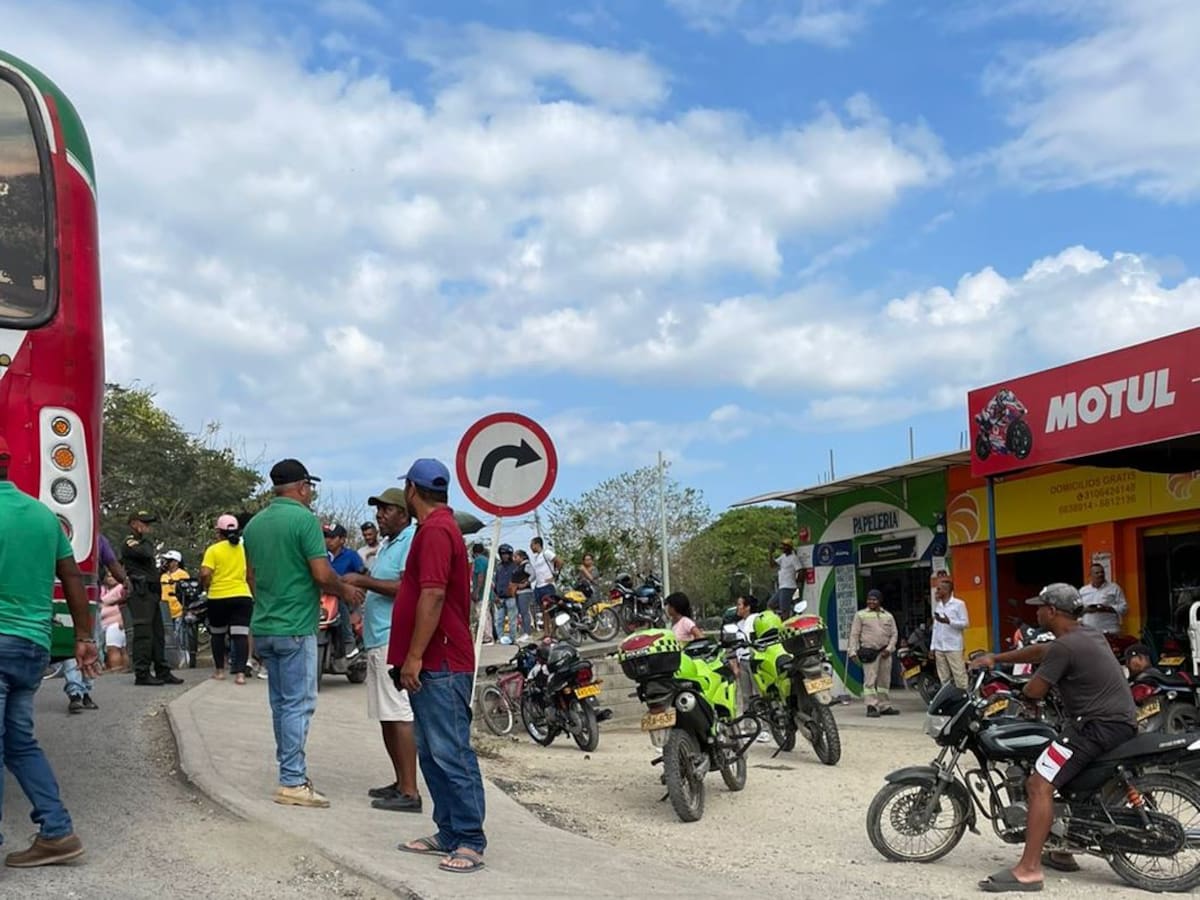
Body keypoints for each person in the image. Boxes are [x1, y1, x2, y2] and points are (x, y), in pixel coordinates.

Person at [970, 584, 1137, 892]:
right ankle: (1063, 849)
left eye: (1039, 606)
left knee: (1038, 783)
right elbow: (1041, 651)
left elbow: (1035, 690)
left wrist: (1015, 690)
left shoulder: (1066, 646)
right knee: (1071, 781)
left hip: (1094, 727)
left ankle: (1029, 870)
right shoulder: (1086, 635)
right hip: (1117, 722)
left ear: (1052, 611)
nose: (1035, 611)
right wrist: (996, 658)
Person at [243, 458, 364, 808]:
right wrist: (346, 592)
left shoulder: (255, 525)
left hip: (264, 624)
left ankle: (289, 772)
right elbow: (323, 574)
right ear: (301, 487)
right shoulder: (305, 521)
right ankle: (293, 780)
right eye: (310, 487)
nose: (311, 493)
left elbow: (251, 576)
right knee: (299, 703)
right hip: (296, 626)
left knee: (281, 704)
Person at [0, 433, 97, 866]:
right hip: (32, 647)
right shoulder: (43, 516)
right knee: (18, 743)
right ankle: (57, 832)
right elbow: (73, 578)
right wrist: (84, 636)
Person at [390, 459, 486, 873]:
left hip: (442, 660)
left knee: (450, 751)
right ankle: (448, 830)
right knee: (430, 750)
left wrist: (413, 656)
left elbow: (432, 596)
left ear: (412, 490)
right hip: (436, 660)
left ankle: (469, 837)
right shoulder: (441, 528)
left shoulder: (434, 531)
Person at [343, 488, 421, 813]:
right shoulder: (389, 544)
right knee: (386, 715)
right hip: (378, 637)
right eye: (378, 511)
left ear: (404, 513)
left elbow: (407, 589)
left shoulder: (411, 541)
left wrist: (362, 583)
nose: (379, 516)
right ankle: (400, 781)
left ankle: (411, 791)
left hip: (394, 637)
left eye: (386, 510)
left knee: (399, 713)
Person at [122, 512, 182, 686]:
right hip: (141, 594)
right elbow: (146, 552)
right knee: (143, 634)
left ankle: (162, 670)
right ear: (134, 523)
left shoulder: (143, 542)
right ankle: (142, 673)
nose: (148, 527)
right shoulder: (130, 542)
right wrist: (147, 541)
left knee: (158, 634)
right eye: (144, 523)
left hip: (152, 594)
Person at [200, 515, 254, 685]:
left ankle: (219, 671)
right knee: (240, 636)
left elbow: (205, 573)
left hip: (218, 596)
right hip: (242, 595)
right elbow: (250, 574)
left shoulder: (213, 550)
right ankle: (240, 674)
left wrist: (207, 586)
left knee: (218, 634)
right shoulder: (244, 549)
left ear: (218, 532)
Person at [849, 589, 899, 717]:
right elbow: (854, 634)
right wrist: (852, 651)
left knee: (884, 681)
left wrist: (889, 649)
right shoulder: (860, 615)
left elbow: (894, 634)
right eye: (869, 599)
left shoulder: (888, 616)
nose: (871, 602)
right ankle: (871, 706)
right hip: (869, 652)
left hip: (885, 652)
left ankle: (884, 706)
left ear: (880, 601)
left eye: (874, 599)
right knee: (870, 681)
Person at [324, 523, 365, 660]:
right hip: (324, 598)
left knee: (339, 598)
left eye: (332, 537)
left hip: (346, 598)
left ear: (342, 540)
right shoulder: (321, 556)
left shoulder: (351, 556)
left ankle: (349, 643)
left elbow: (363, 576)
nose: (328, 540)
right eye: (326, 537)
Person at [931, 578, 969, 689]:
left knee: (959, 675)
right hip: (939, 647)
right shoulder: (939, 605)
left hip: (953, 647)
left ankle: (964, 699)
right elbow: (936, 627)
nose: (936, 592)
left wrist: (949, 622)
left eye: (939, 589)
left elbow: (965, 623)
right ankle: (949, 701)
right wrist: (933, 647)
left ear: (946, 591)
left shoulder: (959, 604)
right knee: (943, 678)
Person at [1078, 563, 1127, 634]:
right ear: (1091, 575)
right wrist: (1086, 610)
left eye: (1102, 572)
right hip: (1089, 632)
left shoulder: (1114, 588)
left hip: (1109, 631)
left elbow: (1124, 608)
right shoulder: (1083, 590)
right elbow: (1075, 611)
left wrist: (1108, 608)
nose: (1100, 574)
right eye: (1097, 573)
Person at [99, 573, 127, 673]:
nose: (110, 578)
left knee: (113, 648)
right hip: (107, 623)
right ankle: (122, 668)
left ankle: (117, 669)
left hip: (116, 623)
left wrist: (122, 621)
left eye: (113, 576)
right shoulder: (104, 589)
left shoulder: (120, 588)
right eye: (108, 576)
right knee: (121, 648)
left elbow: (124, 605)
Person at [491, 545, 518, 645]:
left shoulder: (515, 566)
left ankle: (512, 638)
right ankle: (500, 637)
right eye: (502, 554)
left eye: (506, 554)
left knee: (512, 619)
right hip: (500, 597)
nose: (504, 556)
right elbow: (495, 582)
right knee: (499, 619)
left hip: (511, 597)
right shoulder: (498, 567)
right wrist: (495, 595)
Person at [529, 536, 562, 612]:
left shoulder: (546, 553)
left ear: (537, 544)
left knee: (550, 608)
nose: (531, 548)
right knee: (543, 610)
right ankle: (546, 624)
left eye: (532, 545)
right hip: (538, 586)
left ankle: (553, 624)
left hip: (547, 585)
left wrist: (555, 575)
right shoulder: (536, 557)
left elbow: (559, 561)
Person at [770, 540, 802, 611]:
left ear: (789, 547)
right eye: (782, 546)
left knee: (784, 609)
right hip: (782, 587)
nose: (782, 548)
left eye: (785, 546)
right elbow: (772, 565)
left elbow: (800, 570)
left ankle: (787, 616)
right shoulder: (783, 557)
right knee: (771, 604)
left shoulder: (793, 558)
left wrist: (797, 581)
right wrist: (771, 553)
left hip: (788, 587)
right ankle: (791, 609)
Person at [470, 544, 492, 644]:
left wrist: (476, 591)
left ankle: (487, 637)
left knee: (482, 614)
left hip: (482, 593)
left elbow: (480, 576)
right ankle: (488, 635)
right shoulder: (487, 560)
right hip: (487, 592)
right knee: (486, 614)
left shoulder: (478, 561)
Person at [511, 550, 535, 641]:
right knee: (521, 612)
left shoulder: (526, 565)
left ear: (521, 557)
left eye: (516, 557)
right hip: (518, 592)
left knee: (525, 612)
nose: (514, 559)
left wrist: (526, 583)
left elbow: (533, 575)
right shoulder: (518, 567)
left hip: (525, 592)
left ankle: (528, 633)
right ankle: (524, 632)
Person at [160, 551, 191, 621]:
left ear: (176, 562)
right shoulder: (163, 575)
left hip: (179, 612)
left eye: (169, 561)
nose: (166, 563)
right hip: (165, 611)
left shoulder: (182, 574)